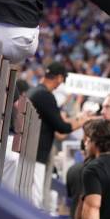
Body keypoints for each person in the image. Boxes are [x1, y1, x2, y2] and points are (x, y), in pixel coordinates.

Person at [27, 61, 93, 208]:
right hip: (36, 153)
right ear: (58, 78)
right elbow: (61, 127)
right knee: (34, 200)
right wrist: (83, 121)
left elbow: (56, 121)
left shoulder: (36, 92)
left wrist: (79, 119)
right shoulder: (45, 96)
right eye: (62, 78)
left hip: (30, 150)